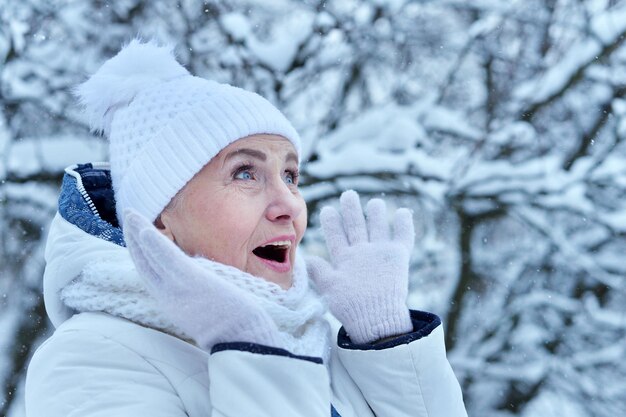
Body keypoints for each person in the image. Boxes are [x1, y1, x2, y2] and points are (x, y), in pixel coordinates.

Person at [25, 40, 468, 417]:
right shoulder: (90, 358)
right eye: (245, 173)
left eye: (291, 176)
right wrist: (254, 351)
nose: (289, 205)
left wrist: (387, 343)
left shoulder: (318, 338)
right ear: (160, 217)